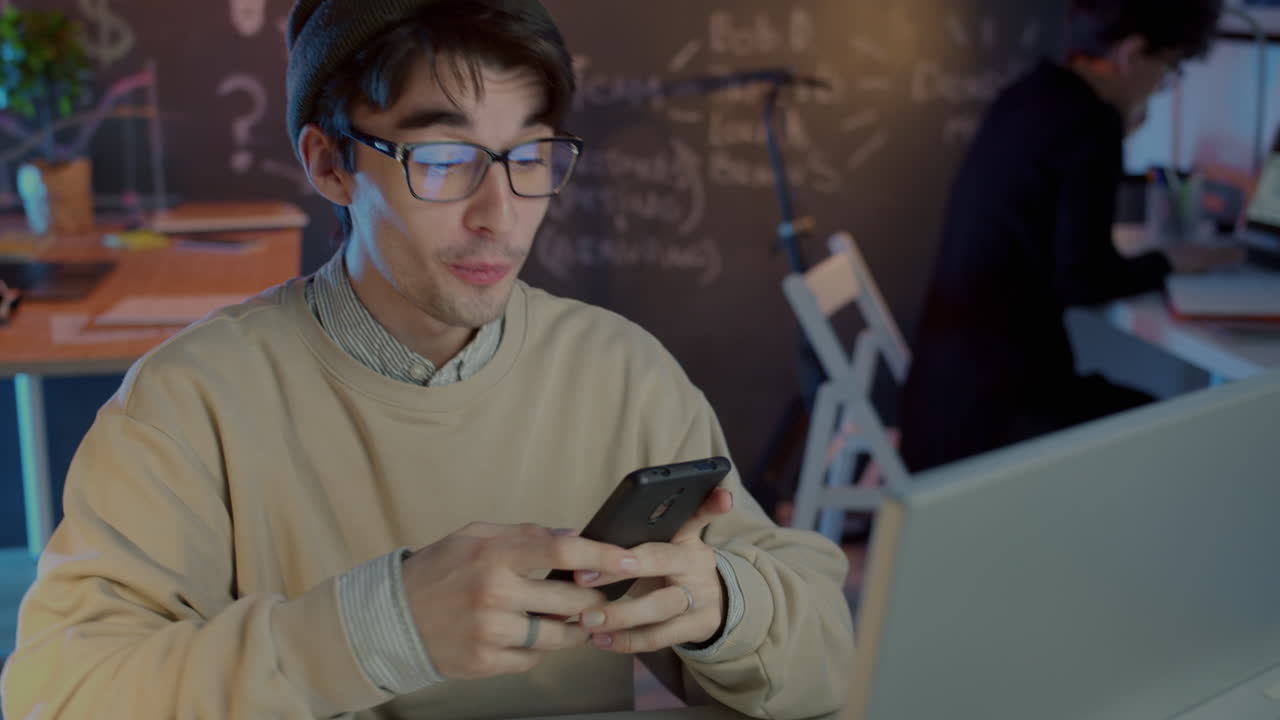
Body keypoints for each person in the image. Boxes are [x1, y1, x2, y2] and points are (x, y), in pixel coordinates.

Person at [0, 1, 853, 718]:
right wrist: (378, 628)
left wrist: (724, 608)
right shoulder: (190, 401)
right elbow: (56, 693)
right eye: (443, 160)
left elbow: (825, 651)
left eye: (529, 157)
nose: (501, 215)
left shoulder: (619, 371)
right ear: (329, 164)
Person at [899, 0, 1244, 473]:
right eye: (1167, 69)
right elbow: (1082, 278)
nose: (1163, 87)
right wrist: (1170, 261)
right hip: (999, 419)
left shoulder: (1027, 93)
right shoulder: (1090, 123)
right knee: (1177, 430)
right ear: (1133, 54)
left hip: (939, 402)